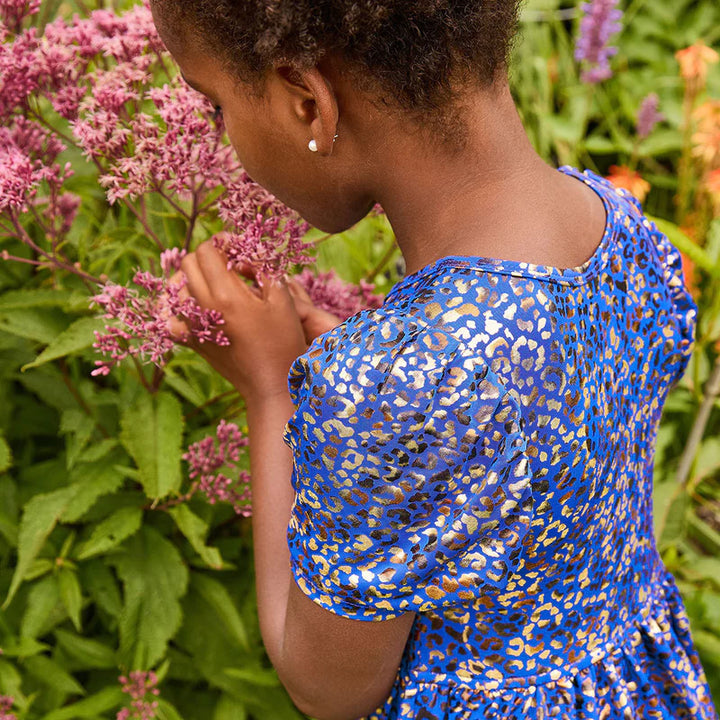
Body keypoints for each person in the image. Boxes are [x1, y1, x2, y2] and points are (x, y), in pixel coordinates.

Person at [148, 1, 718, 718]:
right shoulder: (623, 230)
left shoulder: (395, 386)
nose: (219, 134)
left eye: (215, 105)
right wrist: (379, 388)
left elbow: (327, 687)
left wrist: (273, 389)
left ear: (307, 102)